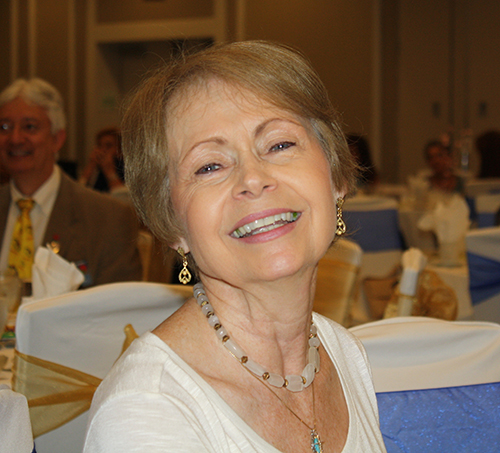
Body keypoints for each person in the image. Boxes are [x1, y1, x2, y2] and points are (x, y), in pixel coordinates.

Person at [84, 41, 386, 452]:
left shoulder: (345, 355)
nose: (253, 178)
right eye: (210, 166)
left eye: (280, 145)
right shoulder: (149, 410)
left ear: (336, 176)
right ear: (171, 222)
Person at [0, 78, 142, 289]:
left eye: (29, 127)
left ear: (57, 139)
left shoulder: (108, 219)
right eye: (4, 127)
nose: (15, 138)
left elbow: (120, 312)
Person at [79, 127, 127, 193]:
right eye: (99, 145)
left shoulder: (126, 170)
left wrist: (109, 171)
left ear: (119, 150)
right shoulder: (96, 170)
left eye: (108, 146)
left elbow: (123, 197)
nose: (103, 150)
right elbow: (78, 193)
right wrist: (90, 167)